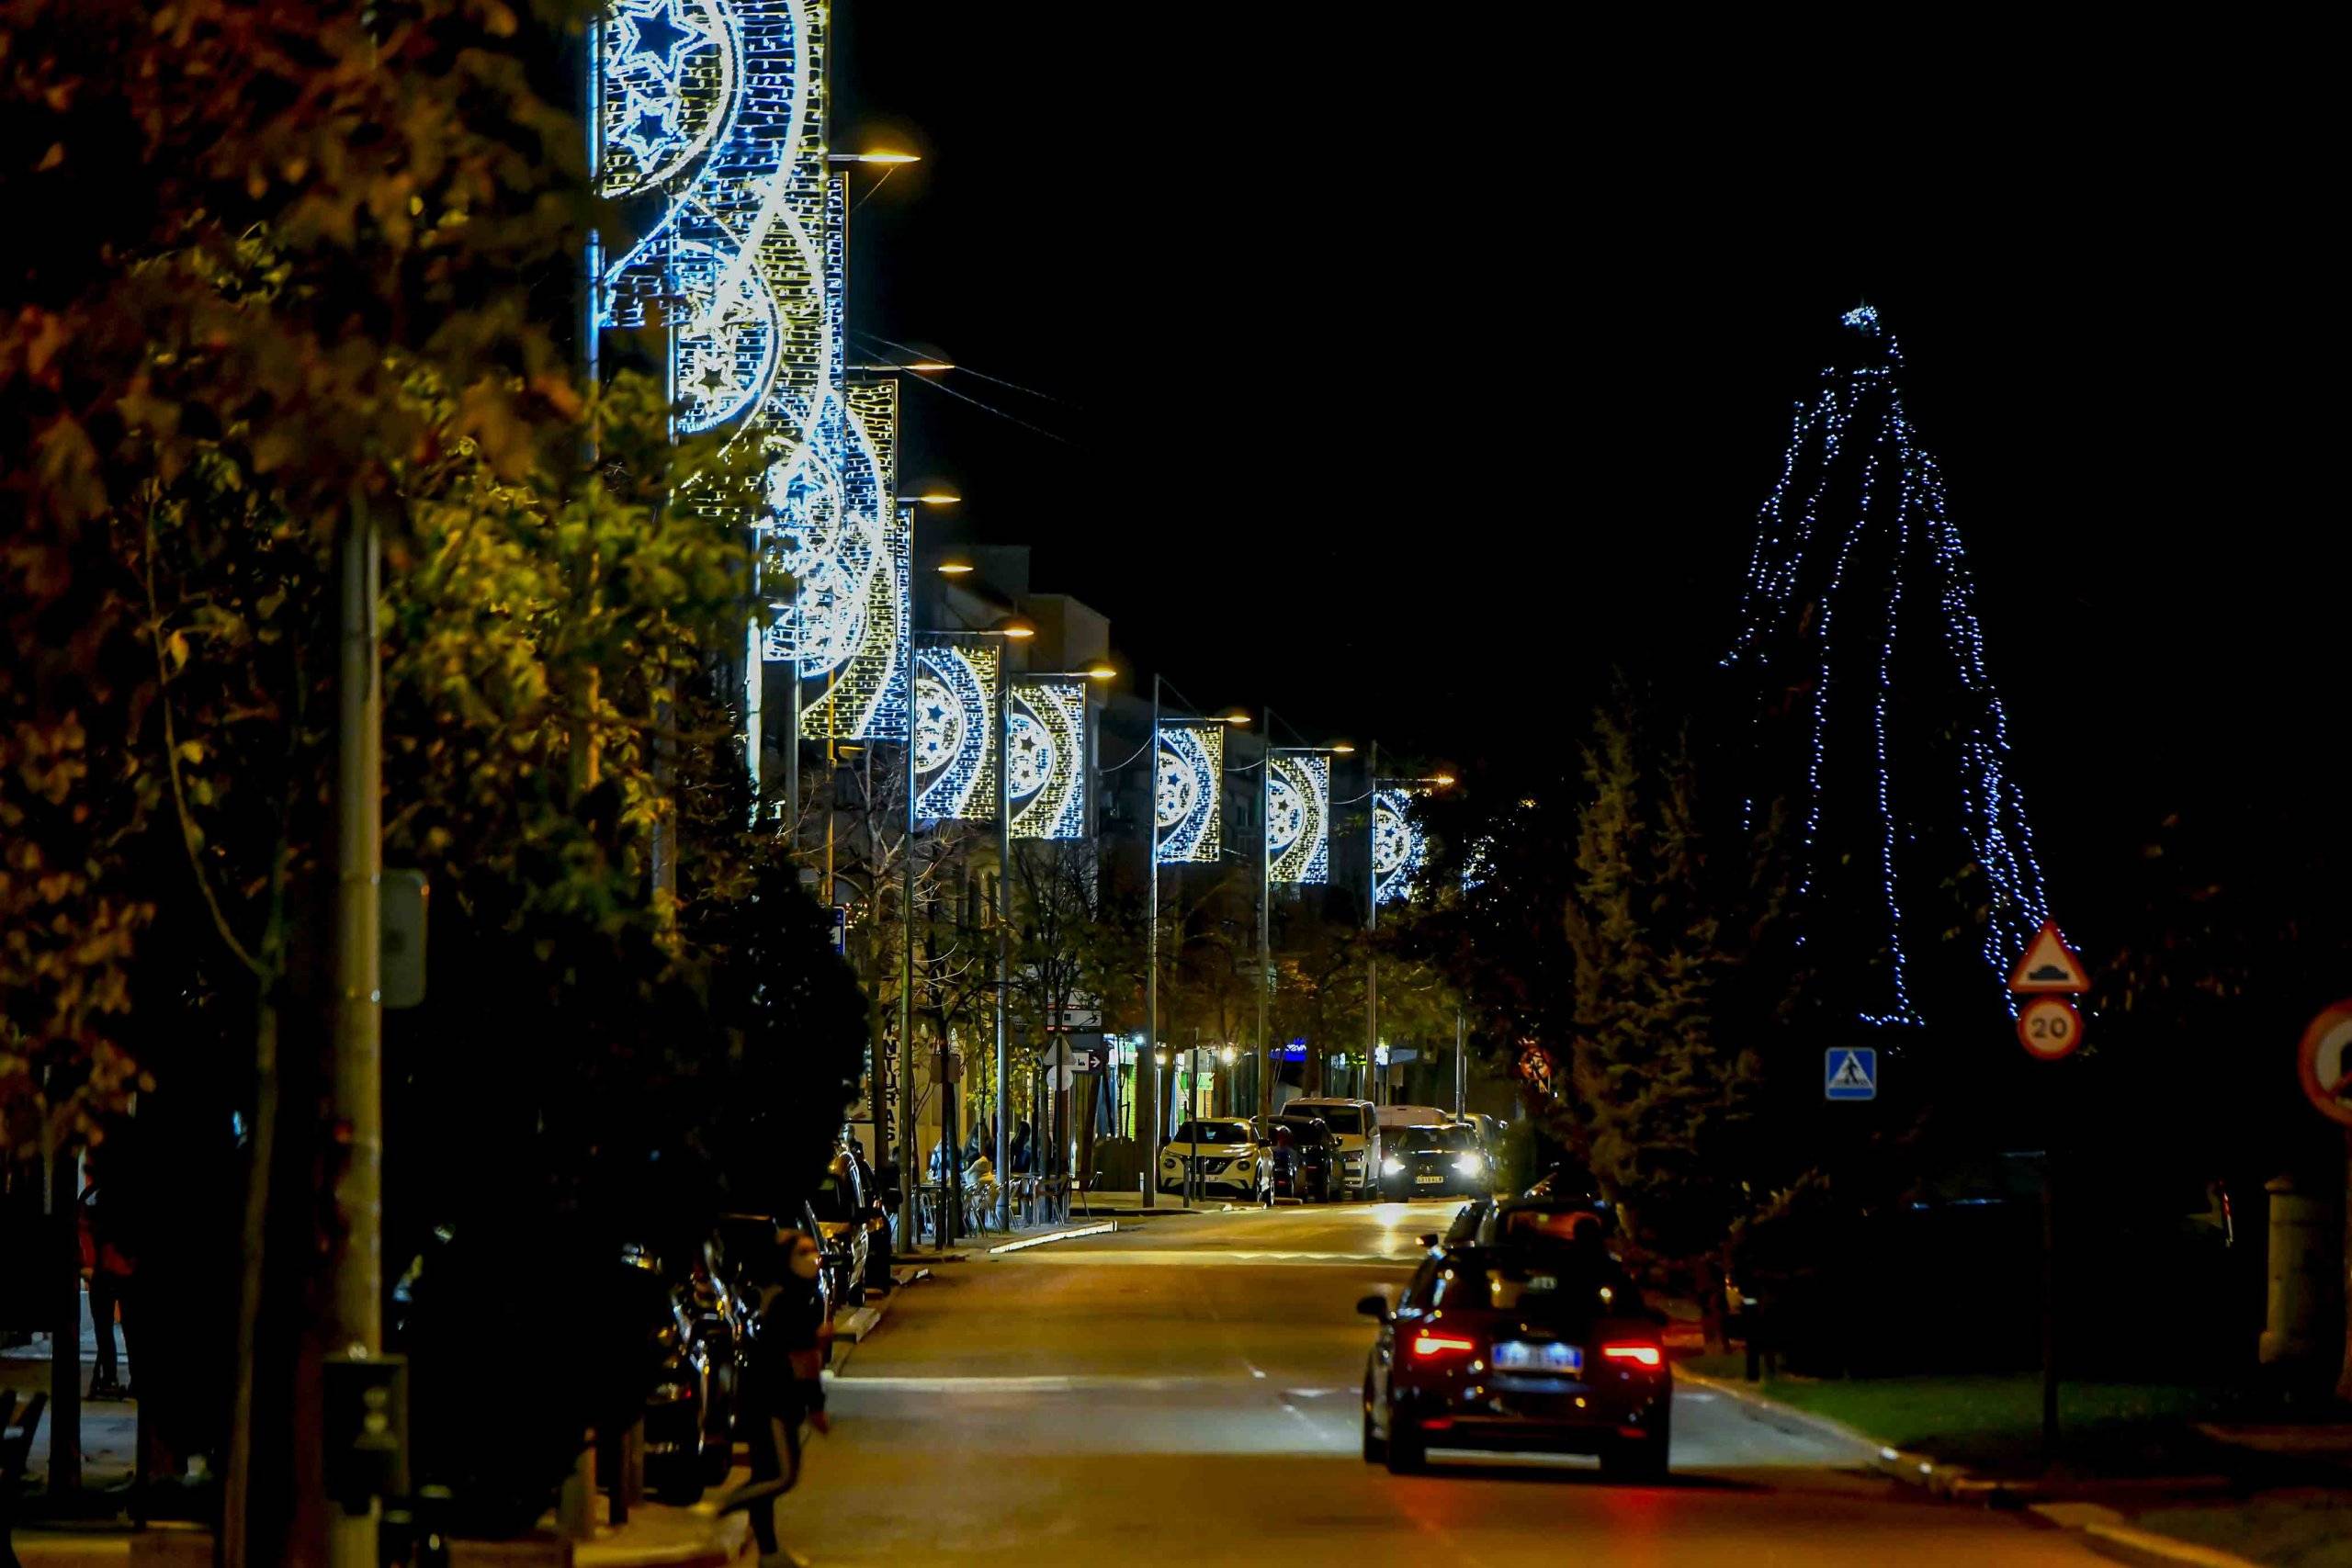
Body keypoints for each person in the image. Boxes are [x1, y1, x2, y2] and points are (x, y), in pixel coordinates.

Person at [718, 1227, 832, 1567]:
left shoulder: (785, 1294)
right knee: (781, 1475)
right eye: (803, 1252)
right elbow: (803, 1359)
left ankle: (768, 1552)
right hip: (772, 1400)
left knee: (768, 1470)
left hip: (767, 1396)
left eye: (814, 1251)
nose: (812, 1259)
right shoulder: (791, 1300)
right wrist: (816, 1406)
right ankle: (722, 1509)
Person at [80, 1156, 133, 1401]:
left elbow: (82, 1230)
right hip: (115, 1269)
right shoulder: (95, 1196)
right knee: (121, 1329)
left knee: (108, 1328)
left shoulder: (91, 1196)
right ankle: (117, 1378)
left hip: (110, 1268)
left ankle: (110, 1377)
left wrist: (87, 1264)